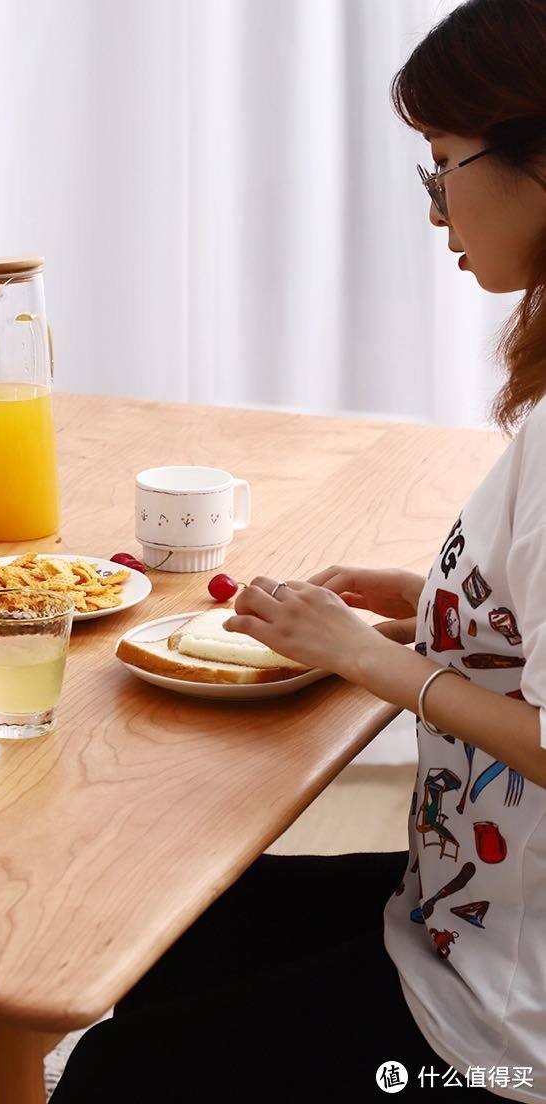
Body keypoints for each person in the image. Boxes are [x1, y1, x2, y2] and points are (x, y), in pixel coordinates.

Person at [50, 0, 546, 1099]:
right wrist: (436, 604)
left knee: (116, 1077)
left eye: (440, 165)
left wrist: (380, 663)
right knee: (169, 936)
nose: (434, 212)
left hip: (507, 1025)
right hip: (470, 916)